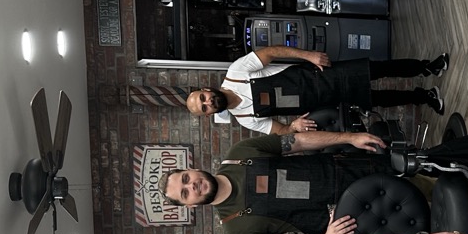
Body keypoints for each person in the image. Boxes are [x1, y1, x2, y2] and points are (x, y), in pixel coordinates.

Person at [158, 130, 394, 234]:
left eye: (186, 178)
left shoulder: (240, 153)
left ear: (192, 169)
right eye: (185, 192)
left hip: (350, 169)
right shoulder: (236, 230)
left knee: (413, 167)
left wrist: (349, 138)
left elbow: (298, 141)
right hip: (354, 215)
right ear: (190, 206)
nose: (192, 185)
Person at [185, 46, 450, 132]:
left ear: (206, 88)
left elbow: (271, 52)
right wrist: (293, 127)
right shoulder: (244, 118)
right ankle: (424, 97)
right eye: (204, 107)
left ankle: (427, 67)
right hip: (322, 101)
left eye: (203, 97)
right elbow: (279, 131)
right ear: (208, 114)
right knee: (376, 99)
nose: (208, 102)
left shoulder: (236, 73)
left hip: (317, 74)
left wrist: (308, 55)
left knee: (376, 69)